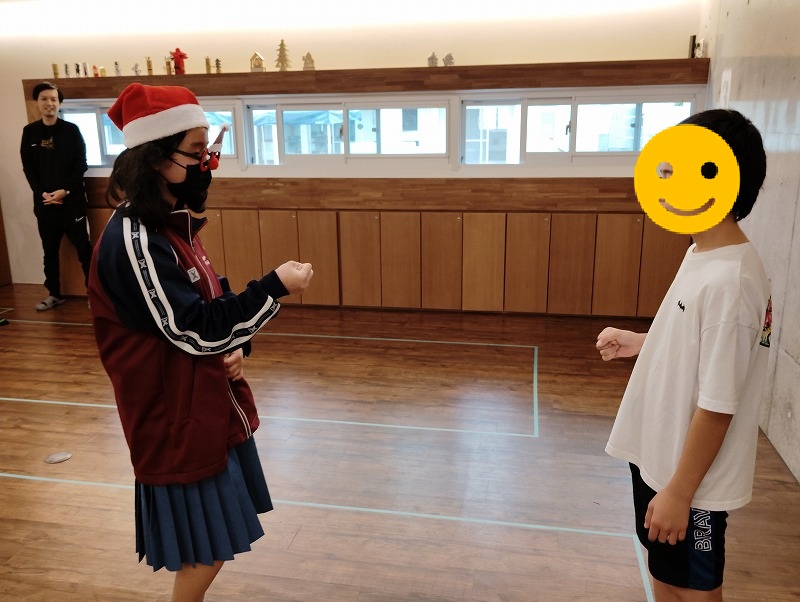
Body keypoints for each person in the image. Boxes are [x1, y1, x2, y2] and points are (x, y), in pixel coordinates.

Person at [88, 82, 313, 601]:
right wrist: (273, 288)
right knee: (206, 549)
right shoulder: (135, 239)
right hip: (172, 415)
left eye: (208, 149)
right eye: (196, 152)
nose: (207, 162)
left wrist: (234, 348)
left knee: (213, 542)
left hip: (200, 401)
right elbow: (191, 328)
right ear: (155, 156)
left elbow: (205, 306)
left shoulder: (171, 225)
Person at [596, 109, 771, 601]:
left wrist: (679, 492)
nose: (665, 181)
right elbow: (698, 346)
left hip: (691, 483)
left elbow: (718, 405)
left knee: (693, 590)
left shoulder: (731, 281)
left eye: (675, 170)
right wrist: (641, 342)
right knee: (666, 577)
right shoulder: (701, 253)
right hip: (659, 460)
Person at [20, 81, 94, 311]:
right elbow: (28, 168)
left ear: (59, 103)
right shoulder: (29, 132)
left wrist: (65, 190)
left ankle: (94, 295)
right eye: (44, 99)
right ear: (37, 102)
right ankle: (54, 294)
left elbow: (81, 164)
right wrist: (42, 193)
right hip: (44, 204)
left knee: (84, 250)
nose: (49, 103)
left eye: (53, 99)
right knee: (49, 252)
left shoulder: (71, 130)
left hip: (72, 204)